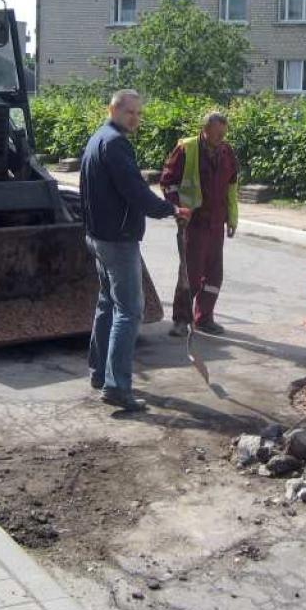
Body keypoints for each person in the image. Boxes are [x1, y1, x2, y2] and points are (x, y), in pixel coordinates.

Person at [80, 89, 192, 411]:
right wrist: (171, 209)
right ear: (112, 110)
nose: (135, 119)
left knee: (108, 303)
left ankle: (100, 373)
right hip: (117, 239)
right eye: (130, 112)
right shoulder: (115, 144)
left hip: (99, 236)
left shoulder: (97, 139)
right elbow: (136, 192)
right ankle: (116, 387)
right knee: (129, 311)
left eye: (138, 113)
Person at [160, 111, 239, 336]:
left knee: (214, 275)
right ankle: (181, 320)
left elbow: (232, 185)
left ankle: (204, 318)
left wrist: (232, 218)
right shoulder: (186, 149)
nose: (221, 138)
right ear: (205, 130)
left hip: (216, 222)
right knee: (191, 274)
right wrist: (178, 209)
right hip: (194, 222)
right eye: (217, 134)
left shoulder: (226, 151)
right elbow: (167, 182)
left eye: (224, 133)